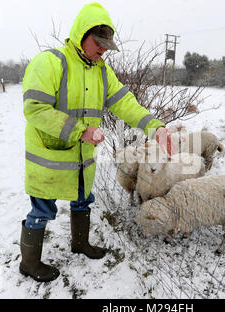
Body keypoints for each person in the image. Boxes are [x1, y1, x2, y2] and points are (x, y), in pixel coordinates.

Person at [19, 2, 175, 282]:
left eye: (106, 44)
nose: (103, 49)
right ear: (81, 34)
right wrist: (80, 130)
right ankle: (29, 264)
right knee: (42, 210)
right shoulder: (51, 62)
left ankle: (80, 244)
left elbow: (125, 103)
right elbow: (35, 108)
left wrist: (155, 126)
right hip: (50, 157)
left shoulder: (102, 71)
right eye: (98, 42)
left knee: (82, 201)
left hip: (82, 157)